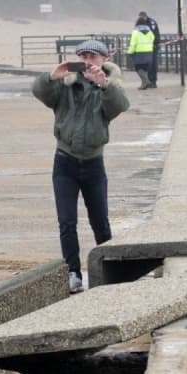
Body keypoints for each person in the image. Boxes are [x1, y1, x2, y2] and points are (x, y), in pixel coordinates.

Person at [31, 40, 130, 293]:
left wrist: (103, 84)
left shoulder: (110, 87)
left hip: (94, 164)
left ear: (104, 60)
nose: (87, 60)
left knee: (100, 222)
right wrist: (51, 77)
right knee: (67, 222)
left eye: (93, 56)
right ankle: (72, 272)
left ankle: (110, 268)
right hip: (65, 162)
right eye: (83, 56)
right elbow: (39, 92)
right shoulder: (64, 87)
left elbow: (120, 106)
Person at [127, 17, 155, 90]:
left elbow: (133, 43)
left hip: (139, 52)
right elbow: (152, 39)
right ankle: (143, 84)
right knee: (145, 69)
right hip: (149, 52)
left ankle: (146, 81)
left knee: (138, 68)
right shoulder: (149, 31)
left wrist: (129, 52)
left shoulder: (135, 31)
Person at [138, 11, 160, 88]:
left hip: (152, 47)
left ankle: (153, 81)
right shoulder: (143, 23)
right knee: (146, 65)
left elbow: (154, 35)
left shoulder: (151, 23)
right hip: (145, 48)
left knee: (152, 64)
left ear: (145, 16)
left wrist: (155, 44)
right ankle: (147, 81)